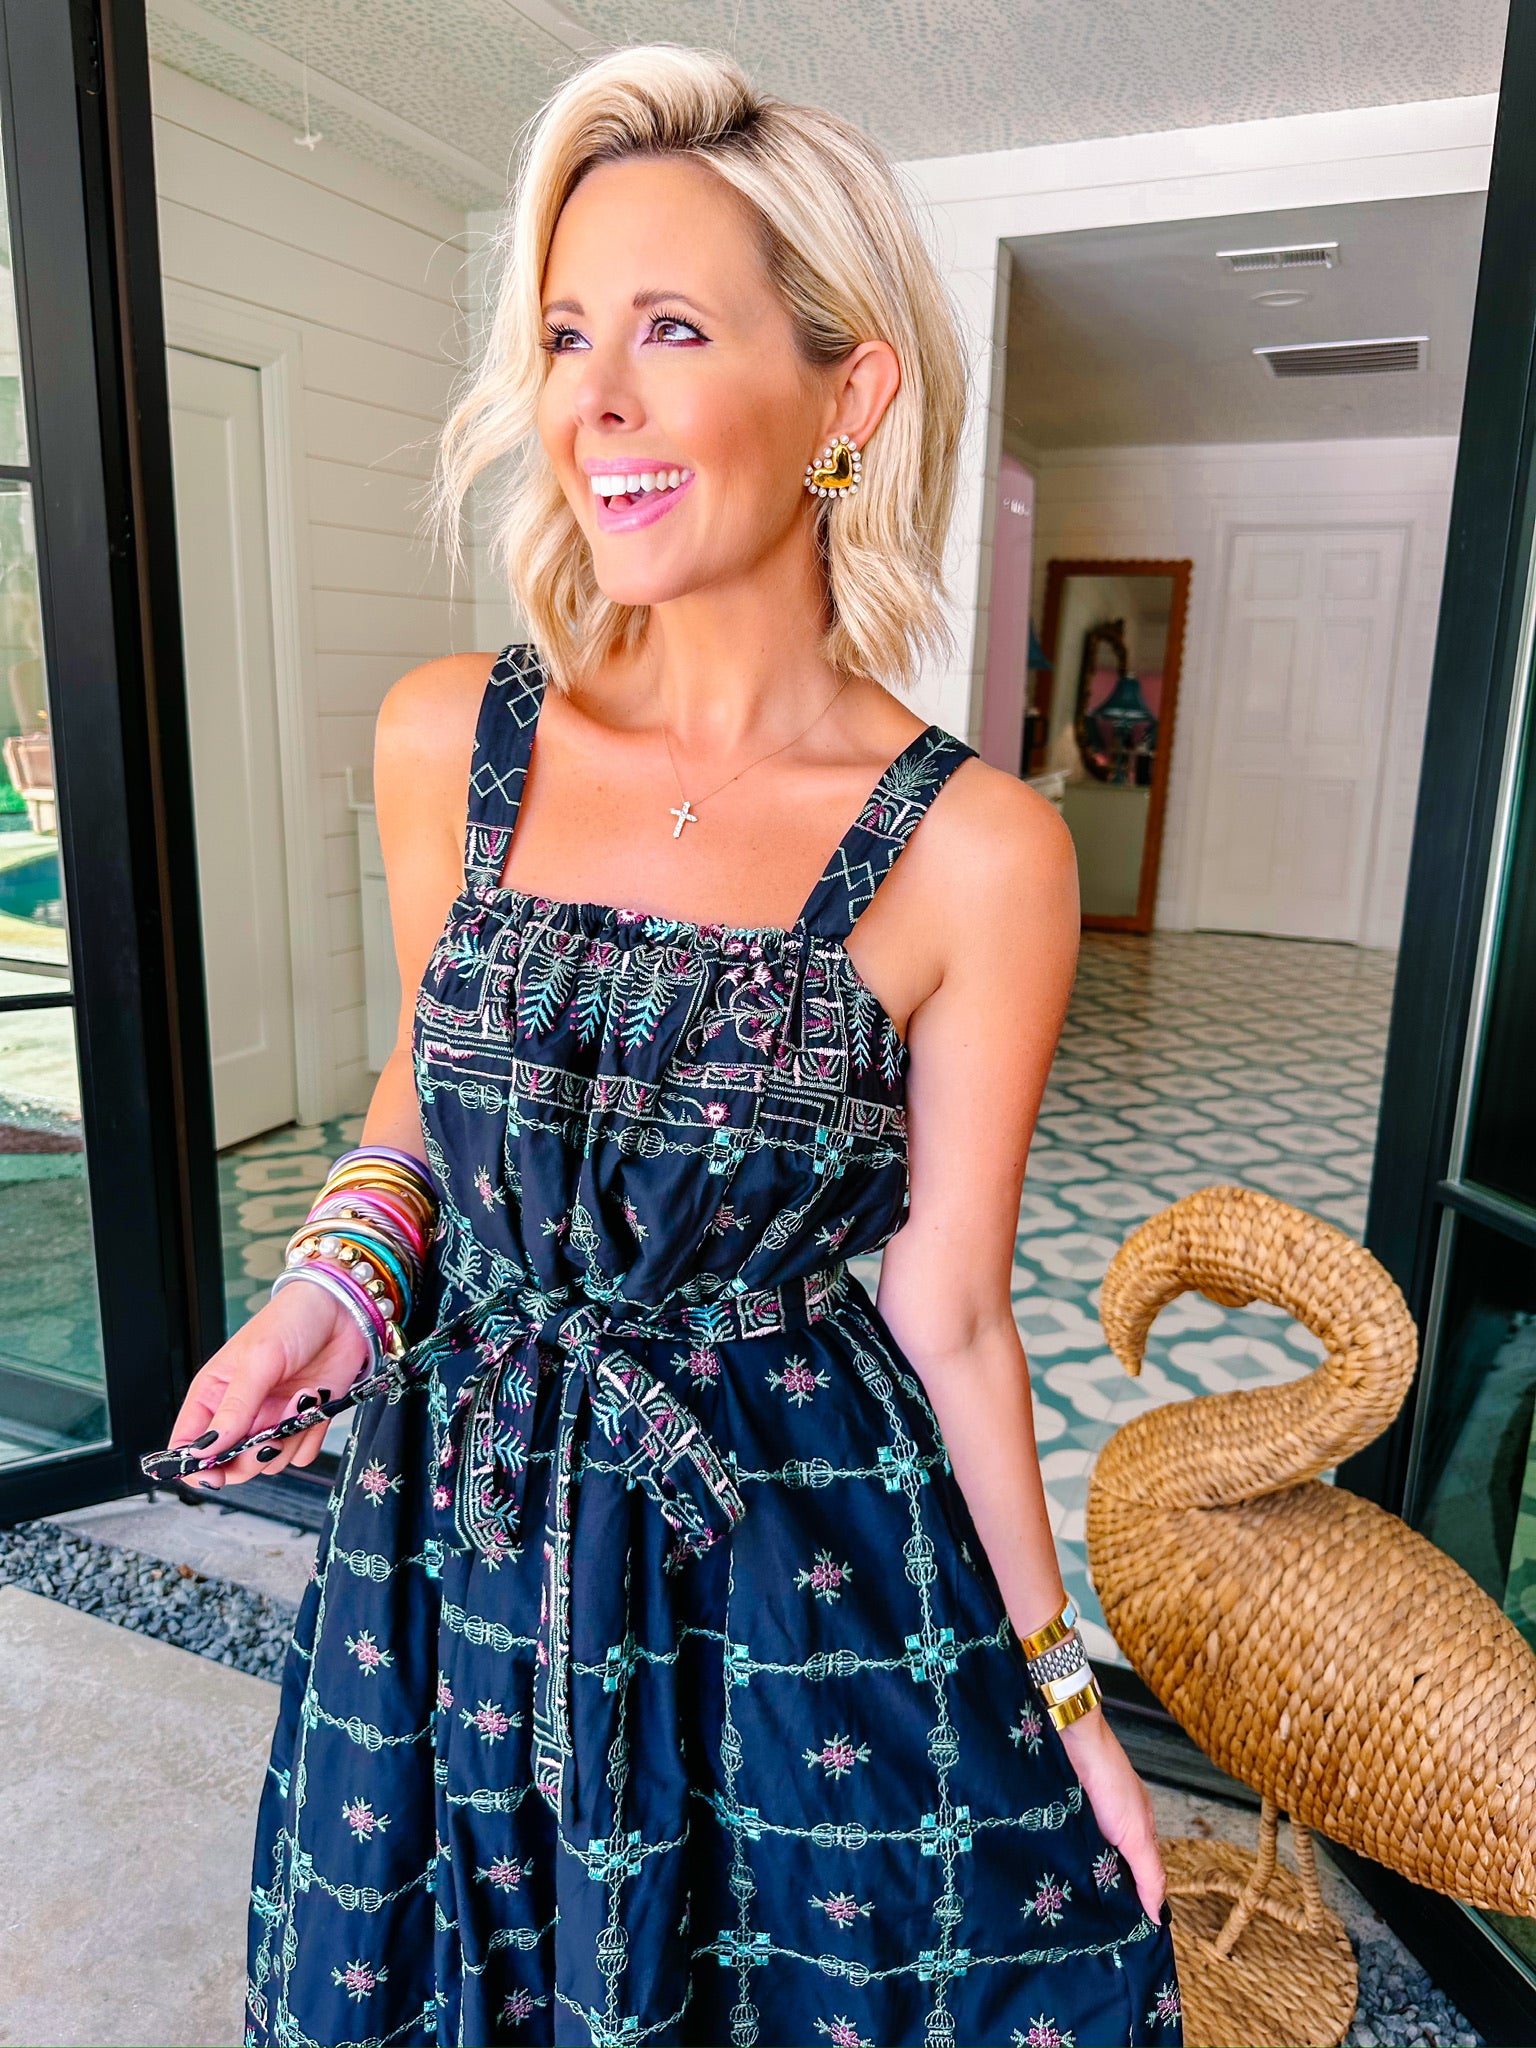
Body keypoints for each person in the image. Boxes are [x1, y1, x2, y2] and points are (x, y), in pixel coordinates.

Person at [162, 44, 1181, 2048]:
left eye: (671, 330)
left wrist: (1070, 1703)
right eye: (563, 335)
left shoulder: (982, 852)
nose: (592, 401)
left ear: (846, 396)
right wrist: (332, 1294)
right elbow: (426, 1094)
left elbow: (956, 1314)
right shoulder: (450, 738)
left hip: (785, 1562)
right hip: (451, 1529)